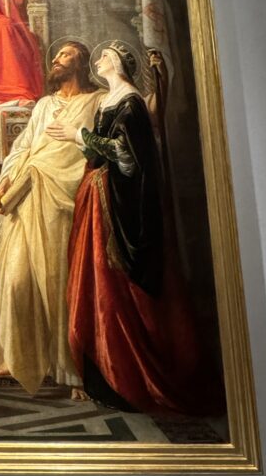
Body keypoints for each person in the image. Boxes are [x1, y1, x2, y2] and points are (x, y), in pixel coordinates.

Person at [46, 41, 224, 416]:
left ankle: (127, 375)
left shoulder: (130, 102)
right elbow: (101, 152)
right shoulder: (111, 101)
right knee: (95, 285)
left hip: (118, 205)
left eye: (106, 56)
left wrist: (79, 135)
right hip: (99, 199)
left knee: (114, 289)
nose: (99, 60)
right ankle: (104, 375)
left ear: (120, 64)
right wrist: (83, 143)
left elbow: (127, 157)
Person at [0, 41, 102, 396]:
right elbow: (24, 147)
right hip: (27, 197)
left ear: (81, 63)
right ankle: (18, 356)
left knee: (59, 285)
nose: (57, 59)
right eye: (57, 55)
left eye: (66, 55)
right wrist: (5, 182)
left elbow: (104, 142)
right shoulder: (45, 105)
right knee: (17, 281)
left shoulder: (96, 101)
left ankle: (72, 369)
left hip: (64, 201)